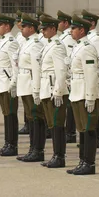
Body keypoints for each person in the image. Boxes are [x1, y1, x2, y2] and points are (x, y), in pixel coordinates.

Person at [67, 15, 99, 175]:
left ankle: (89, 163)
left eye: (74, 28)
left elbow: (91, 74)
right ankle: (82, 161)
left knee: (88, 129)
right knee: (82, 128)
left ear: (82, 30)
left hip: (84, 92)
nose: (71, 31)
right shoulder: (78, 46)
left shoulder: (87, 47)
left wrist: (91, 96)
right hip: (76, 91)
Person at [38, 15, 69, 168]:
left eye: (44, 28)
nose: (42, 31)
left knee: (57, 124)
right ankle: (55, 154)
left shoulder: (57, 45)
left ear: (52, 29)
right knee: (52, 124)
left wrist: (58, 90)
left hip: (53, 89)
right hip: (46, 88)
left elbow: (61, 70)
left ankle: (60, 156)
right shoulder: (49, 44)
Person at [15, 13, 45, 162]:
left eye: (25, 26)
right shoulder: (27, 42)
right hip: (24, 84)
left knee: (36, 117)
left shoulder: (35, 44)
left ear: (32, 28)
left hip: (31, 85)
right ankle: (32, 148)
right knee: (31, 117)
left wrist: (37, 89)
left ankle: (38, 150)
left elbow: (36, 68)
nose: (22, 28)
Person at [0, 13, 20, 157]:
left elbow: (15, 65)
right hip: (1, 82)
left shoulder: (11, 42)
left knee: (11, 115)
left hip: (8, 83)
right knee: (6, 114)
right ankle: (7, 143)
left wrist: (14, 84)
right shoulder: (3, 41)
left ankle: (12, 145)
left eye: (0, 25)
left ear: (7, 26)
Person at [81, 10, 99, 148]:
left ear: (91, 23)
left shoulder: (96, 38)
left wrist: (97, 77)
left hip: (96, 79)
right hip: (87, 79)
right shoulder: (87, 37)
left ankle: (98, 137)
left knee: (96, 108)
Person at [57, 10, 77, 144]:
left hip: (68, 77)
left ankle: (70, 133)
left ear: (65, 23)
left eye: (59, 21)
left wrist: (68, 77)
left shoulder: (69, 37)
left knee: (70, 106)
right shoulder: (64, 36)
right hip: (65, 77)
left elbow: (68, 57)